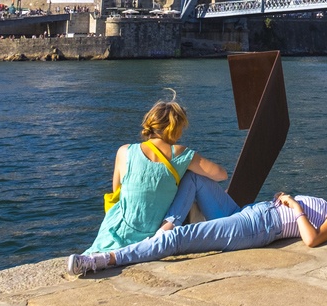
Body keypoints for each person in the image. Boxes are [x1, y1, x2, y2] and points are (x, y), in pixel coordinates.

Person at [65, 177, 327, 275]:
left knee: (180, 239)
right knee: (194, 181)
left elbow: (312, 240)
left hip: (255, 228)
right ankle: (166, 224)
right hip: (250, 212)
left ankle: (101, 260)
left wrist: (295, 206)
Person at [83, 98, 227, 255]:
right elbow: (221, 175)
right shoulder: (181, 154)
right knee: (191, 177)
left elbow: (117, 191)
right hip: (152, 236)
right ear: (175, 128)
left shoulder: (125, 151)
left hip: (112, 233)